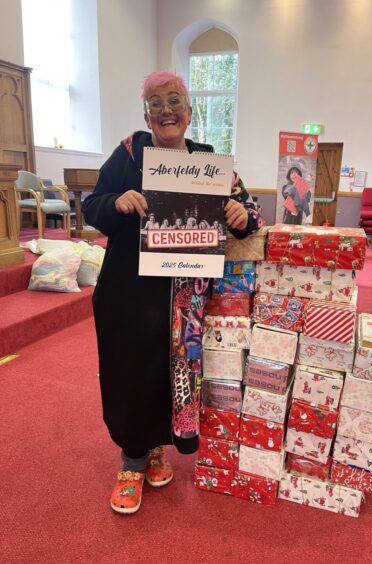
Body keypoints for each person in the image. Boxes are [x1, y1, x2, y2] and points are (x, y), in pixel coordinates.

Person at [82, 70, 263, 515]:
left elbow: (250, 212)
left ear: (189, 110)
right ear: (146, 113)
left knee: (173, 373)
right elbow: (92, 205)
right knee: (130, 372)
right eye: (156, 103)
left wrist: (242, 213)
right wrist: (117, 202)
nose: (167, 110)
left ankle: (158, 448)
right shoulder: (129, 154)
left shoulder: (207, 160)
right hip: (129, 292)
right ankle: (131, 461)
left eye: (175, 100)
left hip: (185, 299)